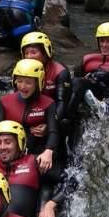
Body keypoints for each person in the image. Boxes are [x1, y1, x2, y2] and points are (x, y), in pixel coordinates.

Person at [0, 58, 58, 174]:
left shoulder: (48, 104)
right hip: (10, 152)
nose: (23, 86)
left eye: (28, 82)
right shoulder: (5, 102)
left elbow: (54, 132)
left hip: (36, 153)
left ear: (39, 82)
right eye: (19, 81)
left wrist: (48, 151)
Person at [62, 22, 109, 138]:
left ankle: (68, 117)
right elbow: (76, 79)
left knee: (80, 83)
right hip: (90, 87)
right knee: (72, 81)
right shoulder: (87, 59)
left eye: (108, 41)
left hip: (108, 91)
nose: (104, 44)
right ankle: (68, 115)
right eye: (101, 41)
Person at [20, 31, 72, 162]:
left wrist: (49, 125)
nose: (29, 57)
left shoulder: (60, 72)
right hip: (33, 114)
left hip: (54, 115)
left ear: (45, 53)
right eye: (26, 53)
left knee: (64, 123)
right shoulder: (22, 73)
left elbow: (62, 103)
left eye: (33, 52)